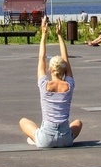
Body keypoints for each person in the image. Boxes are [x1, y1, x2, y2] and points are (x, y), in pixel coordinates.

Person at [20, 17, 83, 147]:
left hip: (46, 139)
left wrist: (43, 34)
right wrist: (60, 36)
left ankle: (36, 139)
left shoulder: (44, 85)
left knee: (23, 121)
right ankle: (45, 139)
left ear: (50, 70)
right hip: (66, 138)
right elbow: (66, 59)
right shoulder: (69, 85)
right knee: (78, 123)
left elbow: (41, 58)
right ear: (64, 70)